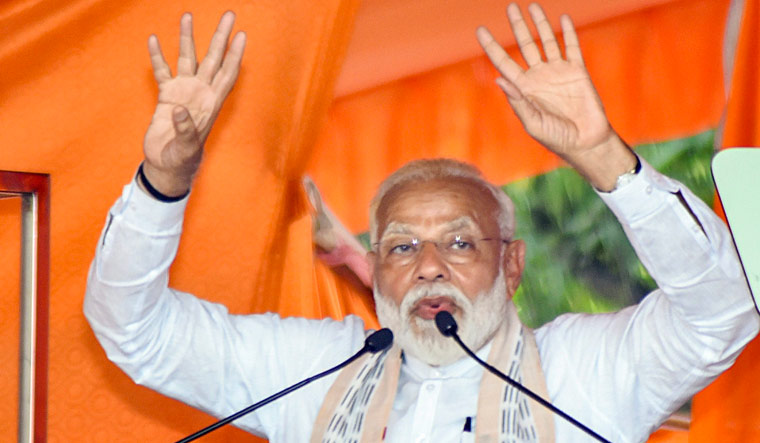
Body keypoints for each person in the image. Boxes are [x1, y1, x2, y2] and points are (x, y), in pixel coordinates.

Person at [84, 4, 760, 442]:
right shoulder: (313, 368)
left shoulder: (587, 370)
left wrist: (605, 158)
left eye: (460, 241)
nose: (428, 265)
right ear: (375, 266)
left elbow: (723, 308)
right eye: (402, 245)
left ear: (514, 265)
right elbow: (132, 329)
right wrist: (162, 183)